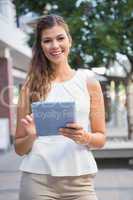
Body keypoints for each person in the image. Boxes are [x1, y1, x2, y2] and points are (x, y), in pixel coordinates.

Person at [14, 14, 106, 200]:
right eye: (47, 40)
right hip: (37, 181)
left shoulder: (89, 84)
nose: (55, 45)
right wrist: (32, 134)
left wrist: (85, 137)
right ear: (41, 46)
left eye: (60, 38)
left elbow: (101, 138)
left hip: (80, 182)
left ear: (69, 41)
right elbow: (19, 148)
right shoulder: (30, 86)